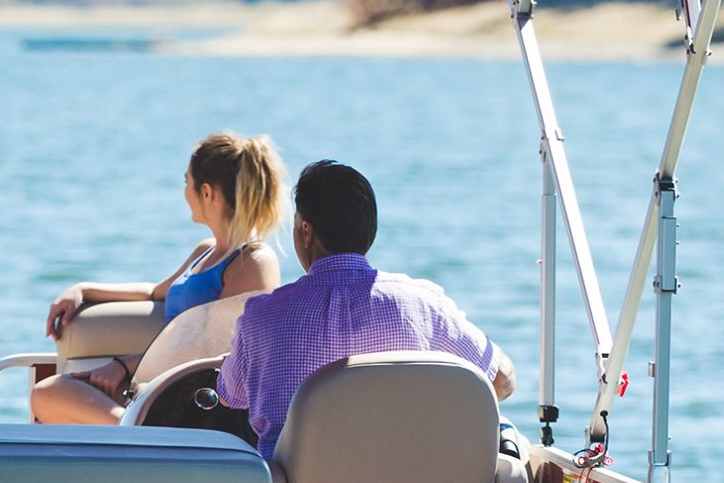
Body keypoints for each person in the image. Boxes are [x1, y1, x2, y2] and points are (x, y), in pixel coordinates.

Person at [215, 159, 512, 448]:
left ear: (306, 232)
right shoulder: (424, 304)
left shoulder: (262, 316)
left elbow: (230, 395)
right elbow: (501, 379)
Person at [32, 133, 286, 424]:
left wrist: (124, 366)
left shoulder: (254, 262)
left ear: (206, 192)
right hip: (160, 385)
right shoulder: (206, 251)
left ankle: (140, 435)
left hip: (199, 397)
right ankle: (136, 432)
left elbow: (217, 347)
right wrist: (82, 290)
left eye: (186, 182)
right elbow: (155, 292)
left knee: (53, 394)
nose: (184, 191)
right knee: (49, 392)